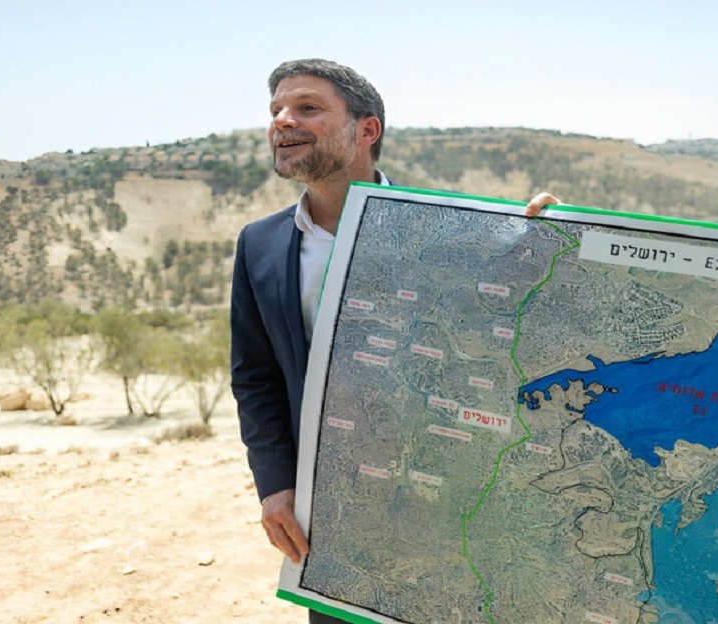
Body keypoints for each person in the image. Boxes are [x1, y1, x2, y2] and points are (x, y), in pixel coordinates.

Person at [230, 58, 557, 624]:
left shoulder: (454, 226)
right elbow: (256, 376)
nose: (282, 120)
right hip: (335, 517)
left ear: (367, 129)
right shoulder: (259, 243)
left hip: (452, 500)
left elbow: (521, 312)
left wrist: (559, 236)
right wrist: (276, 484)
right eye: (276, 109)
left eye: (307, 107)